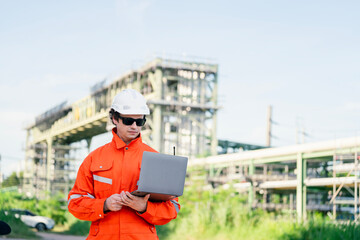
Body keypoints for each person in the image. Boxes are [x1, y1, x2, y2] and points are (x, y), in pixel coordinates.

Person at [68, 89, 180, 239]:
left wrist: (145, 207)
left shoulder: (155, 159)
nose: (134, 126)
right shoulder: (94, 159)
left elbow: (172, 208)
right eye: (128, 121)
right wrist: (104, 205)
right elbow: (75, 202)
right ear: (115, 118)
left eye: (139, 122)